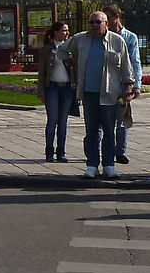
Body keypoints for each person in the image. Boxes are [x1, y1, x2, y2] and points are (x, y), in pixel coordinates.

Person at [57, 11, 134, 179]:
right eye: (91, 22)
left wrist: (128, 89)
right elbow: (61, 51)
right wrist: (73, 62)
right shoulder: (81, 39)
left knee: (109, 130)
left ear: (106, 23)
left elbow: (126, 67)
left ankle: (109, 165)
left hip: (110, 93)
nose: (94, 25)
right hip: (89, 93)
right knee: (91, 131)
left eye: (98, 22)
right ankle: (92, 164)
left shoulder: (117, 41)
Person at [103, 4, 142, 164]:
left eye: (108, 18)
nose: (106, 22)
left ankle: (120, 151)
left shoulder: (130, 37)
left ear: (116, 17)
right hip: (107, 82)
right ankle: (104, 150)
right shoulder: (103, 36)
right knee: (104, 119)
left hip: (123, 83)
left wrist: (136, 84)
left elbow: (135, 61)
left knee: (122, 118)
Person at [37, 22, 74, 163]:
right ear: (56, 32)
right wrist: (41, 92)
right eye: (64, 30)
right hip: (52, 87)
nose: (67, 33)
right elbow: (42, 72)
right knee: (52, 120)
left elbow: (75, 70)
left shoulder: (70, 48)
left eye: (67, 30)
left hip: (67, 88)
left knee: (63, 121)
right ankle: (49, 152)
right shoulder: (48, 49)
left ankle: (61, 152)